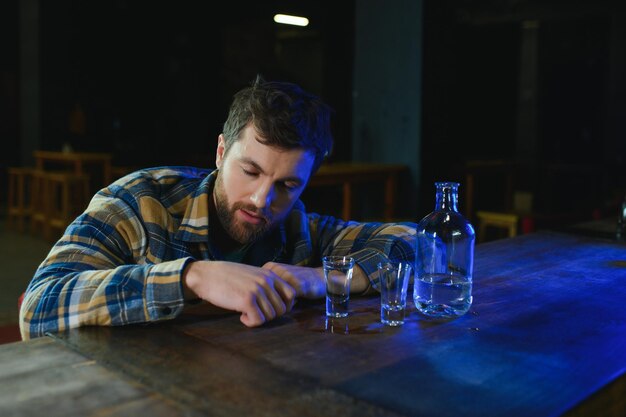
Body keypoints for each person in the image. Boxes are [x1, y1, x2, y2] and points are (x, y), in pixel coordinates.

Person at [19, 76, 415, 340]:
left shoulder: (298, 226)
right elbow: (37, 309)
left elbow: (415, 240)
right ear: (221, 151)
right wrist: (192, 277)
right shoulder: (140, 201)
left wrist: (322, 278)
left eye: (287, 185)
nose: (263, 200)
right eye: (250, 171)